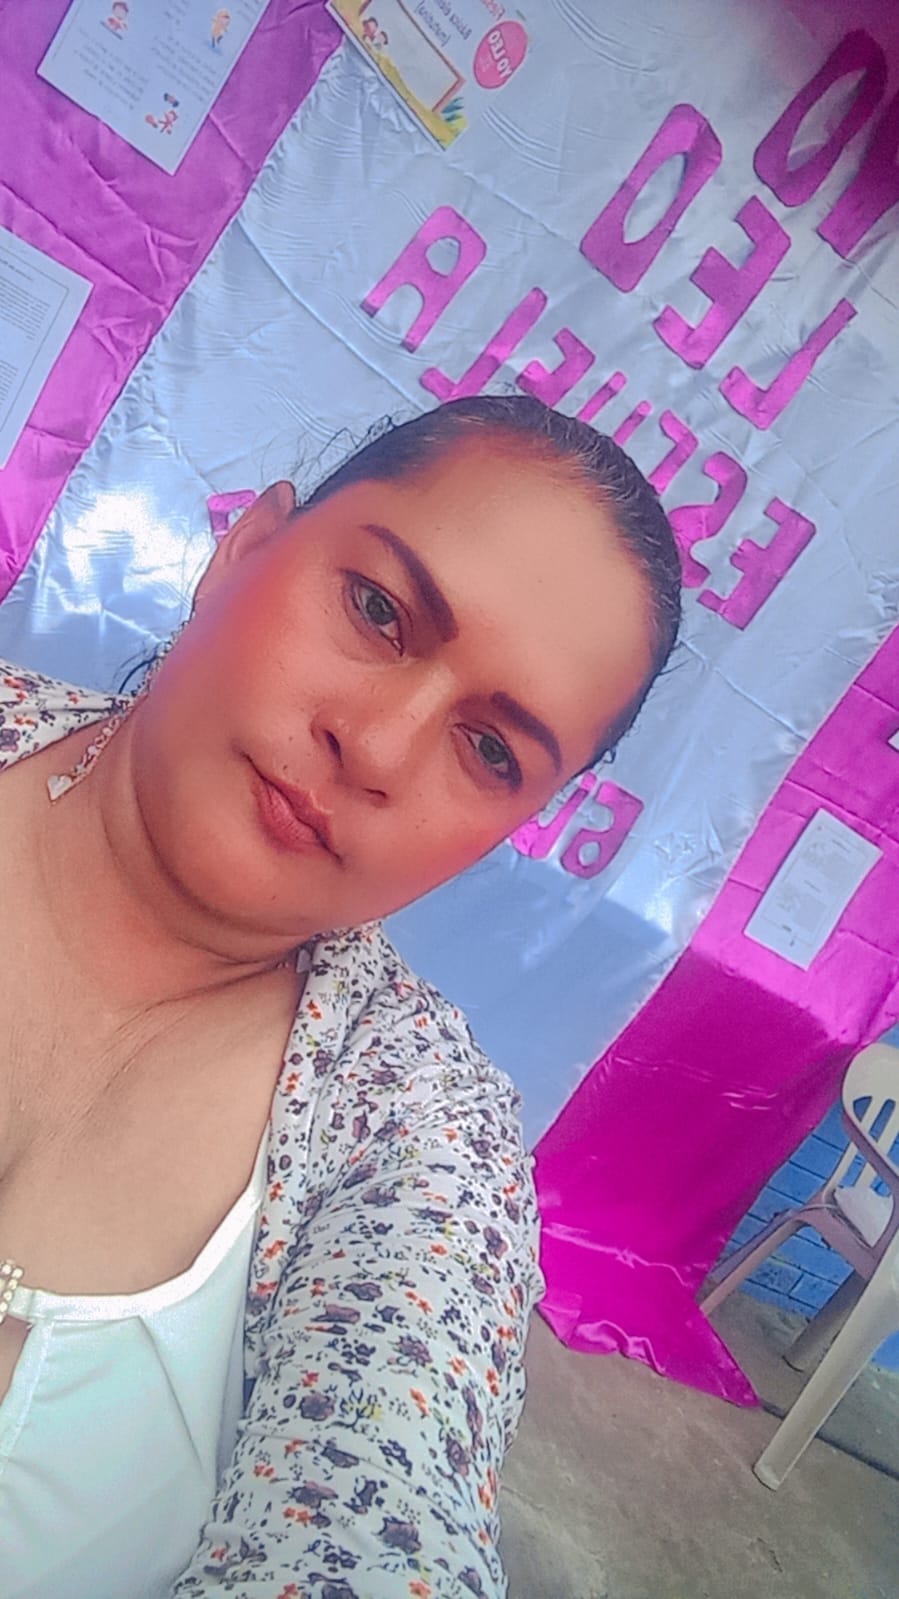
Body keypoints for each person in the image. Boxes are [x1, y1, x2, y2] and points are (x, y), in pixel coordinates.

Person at [0, 394, 680, 1598]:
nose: (375, 746)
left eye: (490, 750)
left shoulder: (424, 1145)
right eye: (377, 610)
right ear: (246, 546)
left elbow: (385, 1518)